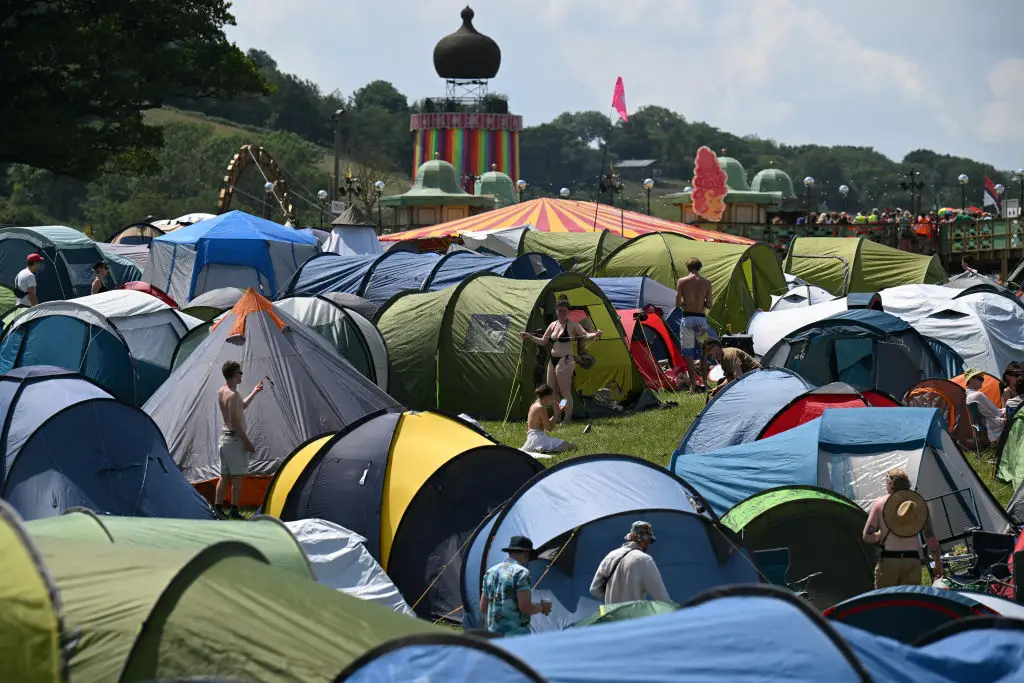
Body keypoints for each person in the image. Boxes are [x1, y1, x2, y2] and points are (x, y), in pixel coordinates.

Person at [520, 296, 602, 424]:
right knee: (551, 392)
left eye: (564, 311)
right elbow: (543, 341)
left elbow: (585, 335)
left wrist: (595, 334)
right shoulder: (553, 325)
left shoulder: (573, 325)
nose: (562, 313)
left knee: (565, 392)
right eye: (559, 311)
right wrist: (529, 337)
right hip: (553, 360)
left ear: (567, 311)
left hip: (566, 360)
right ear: (556, 311)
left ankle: (566, 419)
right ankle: (558, 415)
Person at [863, 468, 942, 588]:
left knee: (885, 602)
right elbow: (930, 536)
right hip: (912, 560)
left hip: (889, 560)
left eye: (886, 482)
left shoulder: (879, 503)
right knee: (909, 603)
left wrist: (880, 534)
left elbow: (867, 536)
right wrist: (937, 562)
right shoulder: (918, 503)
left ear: (890, 484)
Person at [215, 360, 263, 519]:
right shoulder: (233, 395)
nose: (242, 375)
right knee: (237, 478)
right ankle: (234, 510)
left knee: (224, 476)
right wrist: (247, 442)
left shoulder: (222, 391)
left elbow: (241, 406)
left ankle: (217, 509)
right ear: (234, 375)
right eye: (240, 372)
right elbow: (235, 422)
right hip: (235, 441)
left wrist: (254, 392)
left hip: (224, 440)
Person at [480, 535, 551, 636]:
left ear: (509, 552)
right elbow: (525, 607)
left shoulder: (490, 572)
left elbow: (483, 607)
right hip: (516, 638)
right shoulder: (521, 573)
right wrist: (542, 607)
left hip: (494, 636)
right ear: (527, 553)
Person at [590, 521, 670, 604]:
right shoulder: (644, 560)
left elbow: (594, 590)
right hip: (634, 616)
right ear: (645, 540)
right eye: (649, 541)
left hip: (611, 615)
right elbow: (662, 598)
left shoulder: (610, 556)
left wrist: (613, 598)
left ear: (630, 537)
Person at [675, 256, 715, 392]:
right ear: (700, 267)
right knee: (704, 351)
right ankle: (704, 381)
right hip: (701, 320)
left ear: (688, 268)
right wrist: (701, 302)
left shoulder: (682, 281)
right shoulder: (707, 282)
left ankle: (693, 384)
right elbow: (709, 304)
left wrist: (686, 303)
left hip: (687, 319)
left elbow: (677, 303)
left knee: (688, 353)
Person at [522, 384, 576, 454]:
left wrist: (556, 413)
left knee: (568, 445)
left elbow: (545, 425)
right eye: (550, 398)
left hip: (533, 438)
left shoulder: (534, 405)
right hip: (537, 439)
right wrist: (556, 414)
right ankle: (542, 449)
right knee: (570, 446)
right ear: (545, 397)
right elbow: (549, 428)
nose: (551, 401)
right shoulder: (540, 408)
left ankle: (542, 449)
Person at [965, 368, 1005, 443]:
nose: (982, 381)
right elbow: (997, 413)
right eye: (980, 378)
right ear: (971, 379)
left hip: (982, 424)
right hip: (990, 423)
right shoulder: (977, 395)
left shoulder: (968, 396)